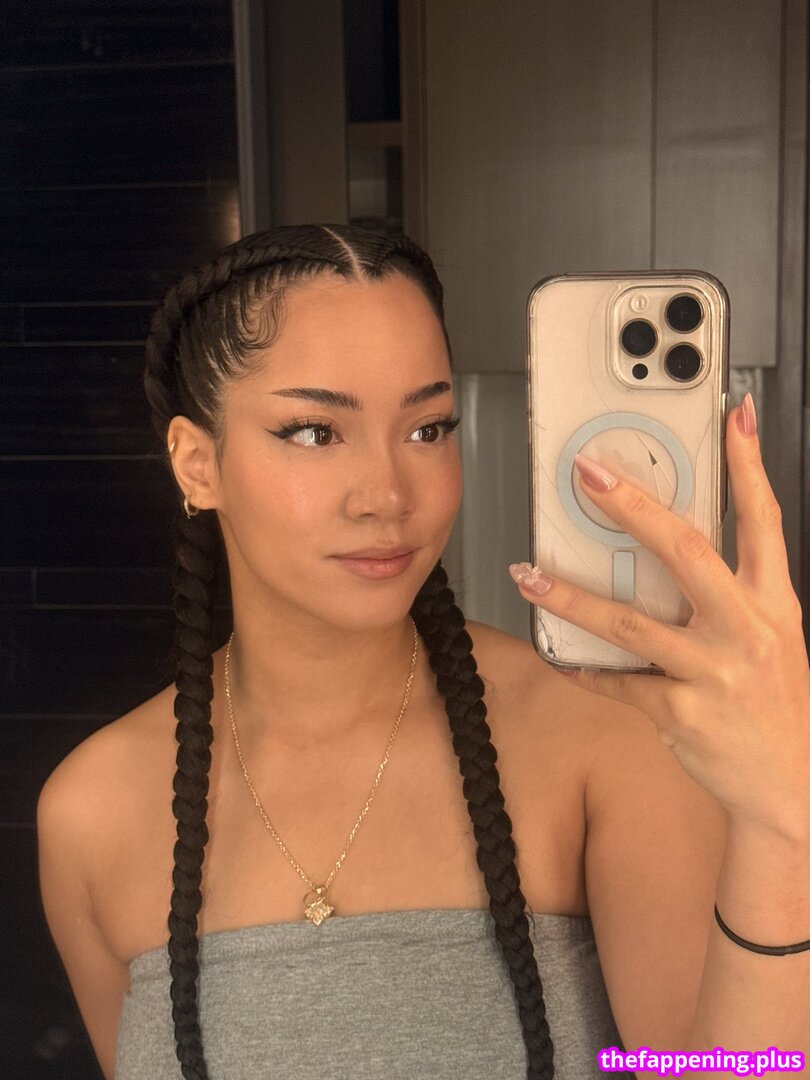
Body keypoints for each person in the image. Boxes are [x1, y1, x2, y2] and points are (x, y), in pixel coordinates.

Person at [37, 224, 810, 1080]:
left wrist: (781, 818)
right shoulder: (91, 814)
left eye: (428, 428)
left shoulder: (599, 738)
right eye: (314, 432)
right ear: (196, 463)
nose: (388, 495)